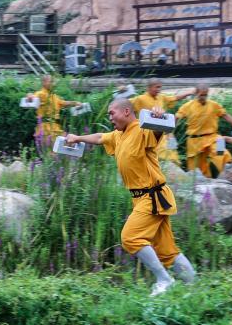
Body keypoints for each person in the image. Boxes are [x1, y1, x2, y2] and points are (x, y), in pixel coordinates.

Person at [66, 99, 195, 296]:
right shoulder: (119, 135)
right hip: (142, 199)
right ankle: (196, 288)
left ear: (126, 111)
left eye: (112, 113)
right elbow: (100, 137)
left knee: (130, 238)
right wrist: (77, 138)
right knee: (167, 251)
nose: (110, 118)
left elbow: (157, 132)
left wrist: (158, 118)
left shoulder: (143, 129)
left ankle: (164, 279)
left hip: (152, 196)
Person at [175, 84, 232, 177]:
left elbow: (226, 115)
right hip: (194, 141)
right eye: (201, 95)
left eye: (205, 95)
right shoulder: (187, 106)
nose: (203, 97)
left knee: (223, 154)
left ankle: (222, 177)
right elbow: (176, 117)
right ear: (196, 94)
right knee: (194, 172)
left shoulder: (214, 105)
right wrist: (168, 131)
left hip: (213, 137)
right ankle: (205, 182)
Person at [131, 79, 194, 163]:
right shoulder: (140, 99)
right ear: (149, 88)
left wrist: (189, 92)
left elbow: (175, 98)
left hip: (166, 133)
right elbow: (125, 105)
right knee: (160, 155)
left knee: (173, 153)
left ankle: (175, 170)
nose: (159, 89)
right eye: (156, 87)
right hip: (150, 134)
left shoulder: (161, 97)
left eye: (160, 87)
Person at [26, 75, 81, 148]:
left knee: (67, 145)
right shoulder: (41, 94)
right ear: (44, 82)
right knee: (52, 151)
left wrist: (75, 103)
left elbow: (63, 103)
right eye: (51, 82)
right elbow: (32, 96)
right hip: (46, 128)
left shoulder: (54, 96)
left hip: (56, 127)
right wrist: (29, 96)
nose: (53, 84)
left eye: (53, 82)